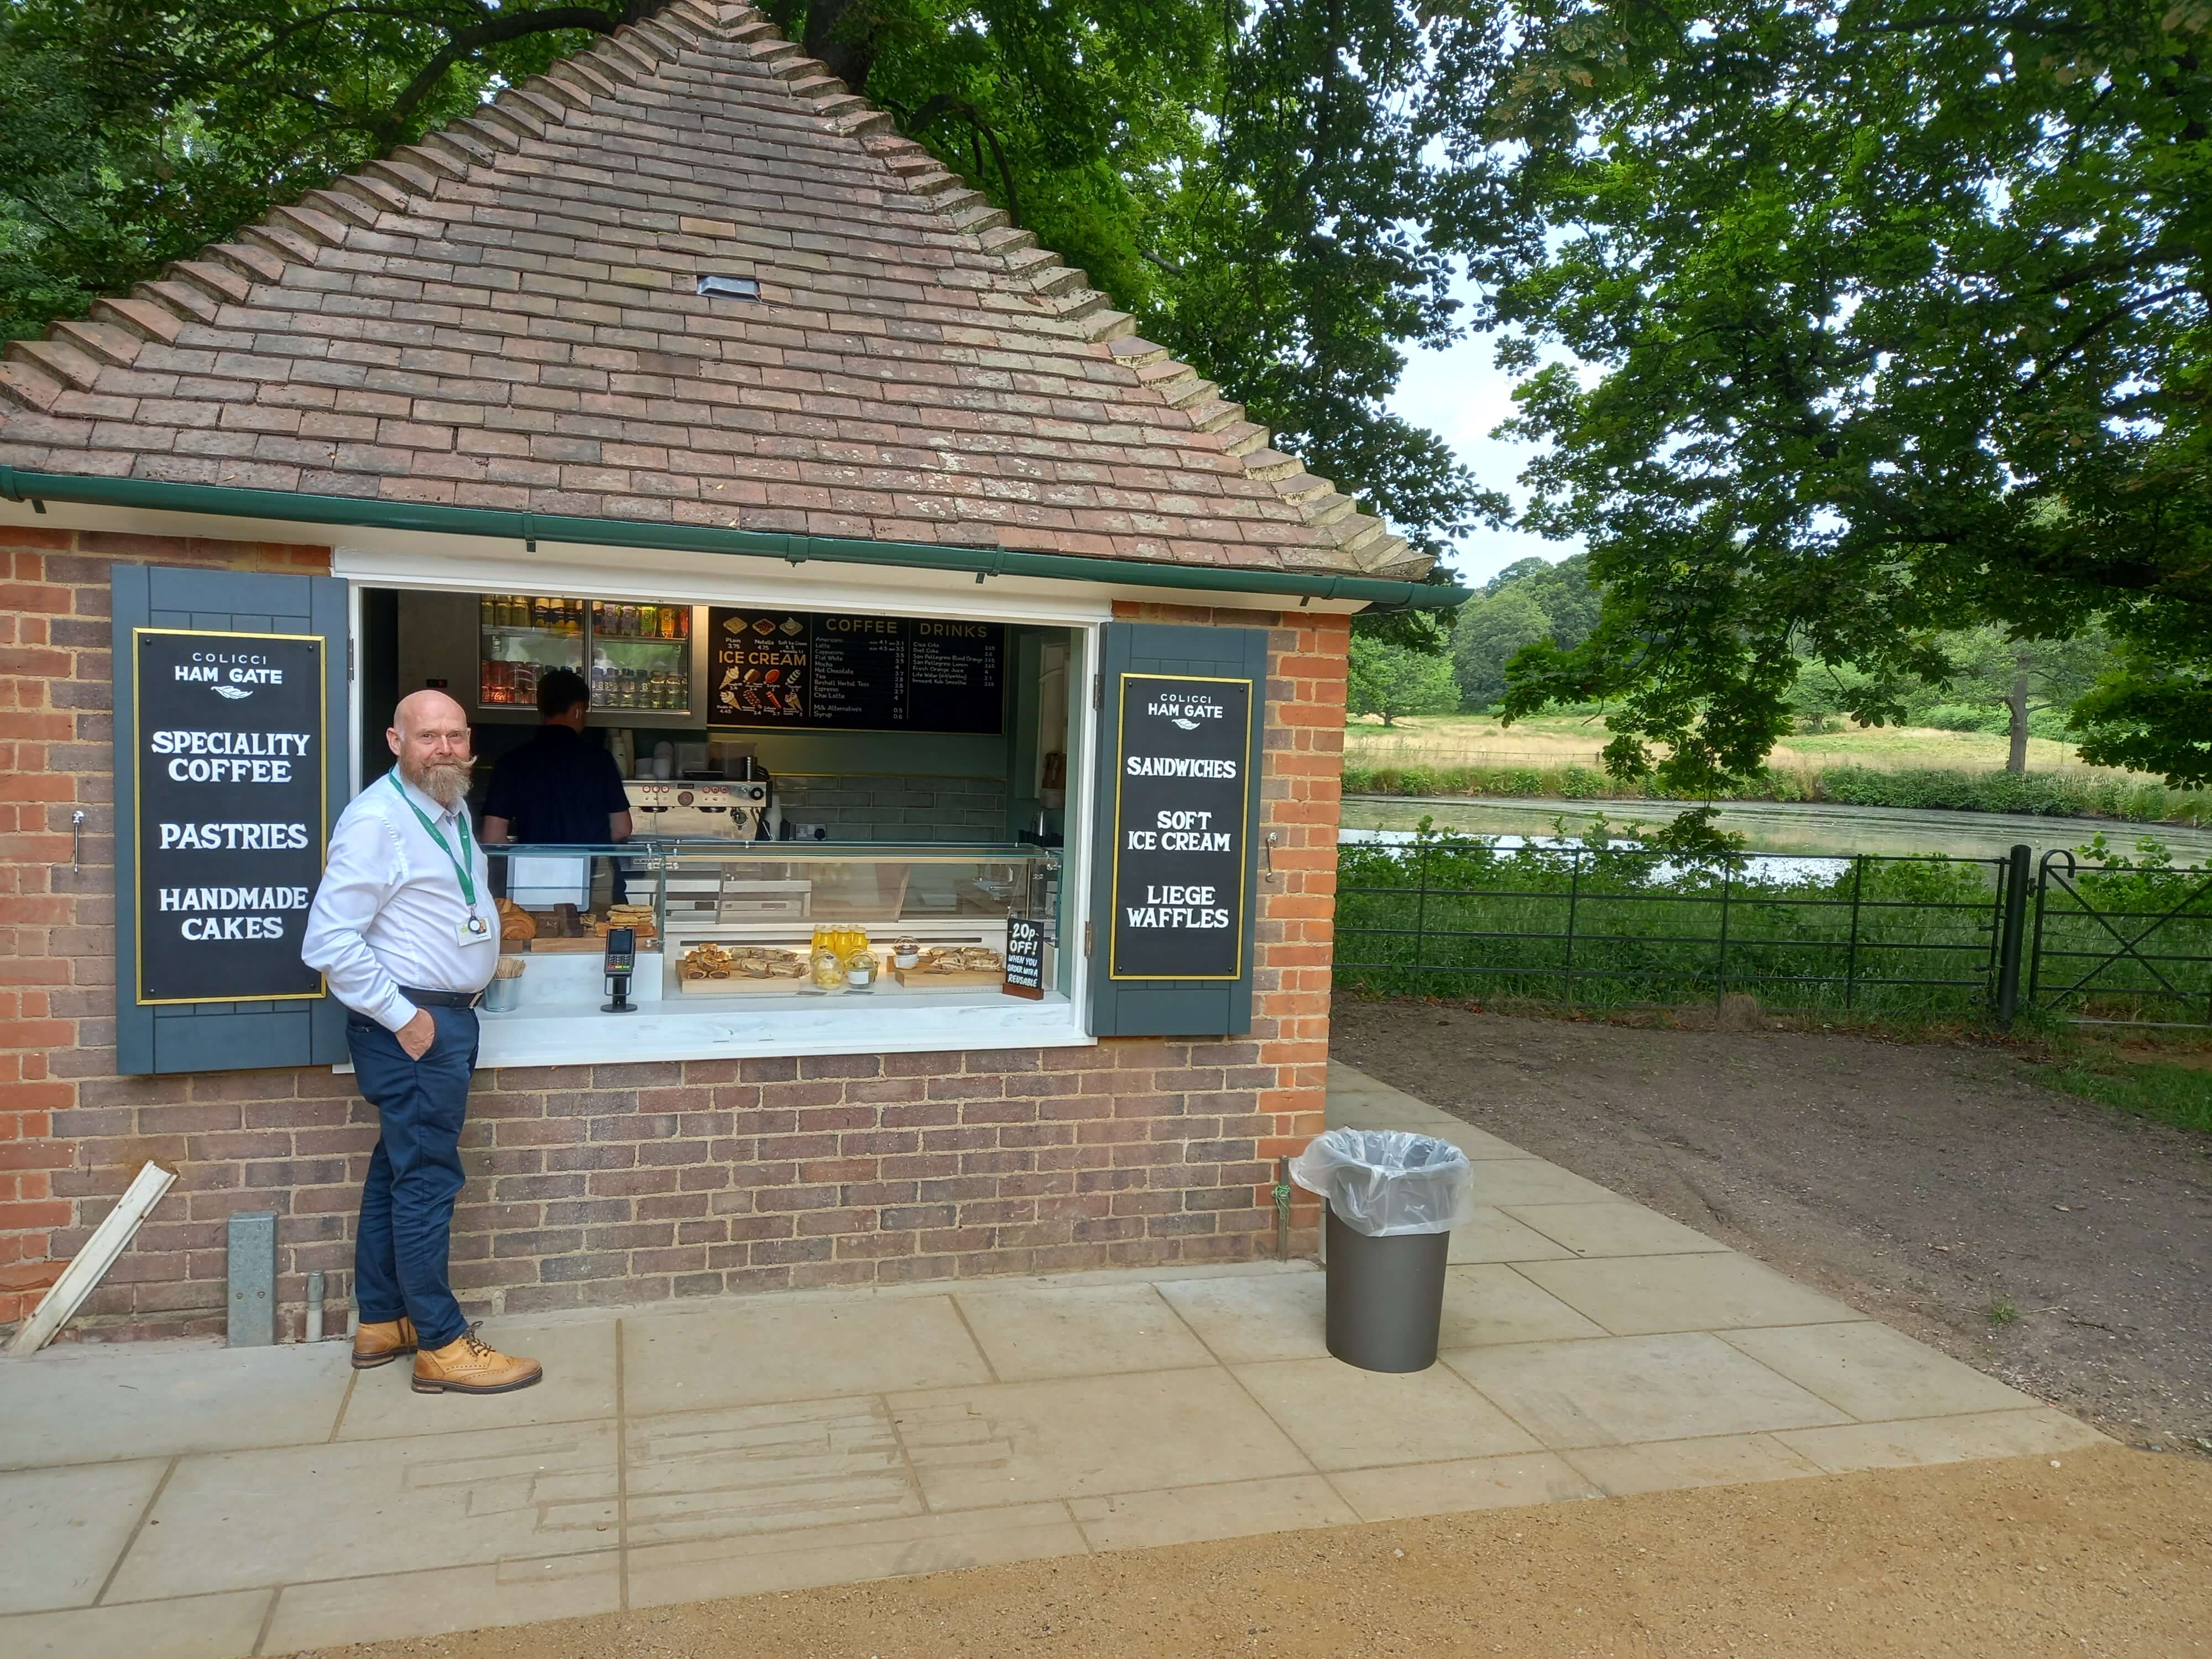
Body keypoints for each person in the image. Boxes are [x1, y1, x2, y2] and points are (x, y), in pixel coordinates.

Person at [301, 689, 542, 1395]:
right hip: (413, 1029)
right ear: (394, 740)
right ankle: (441, 1342)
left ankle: (383, 1321)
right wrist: (403, 1017)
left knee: (399, 1168)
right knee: (430, 1179)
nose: (444, 748)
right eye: (428, 736)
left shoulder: (449, 804)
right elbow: (329, 941)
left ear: (470, 743)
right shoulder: (379, 820)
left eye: (455, 736)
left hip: (440, 1021)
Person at [482, 667, 632, 849]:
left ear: (540, 707)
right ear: (578, 709)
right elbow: (621, 829)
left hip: (535, 873)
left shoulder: (511, 762)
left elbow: (493, 837)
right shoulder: (600, 760)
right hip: (592, 873)